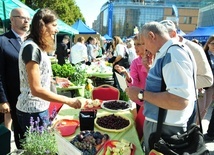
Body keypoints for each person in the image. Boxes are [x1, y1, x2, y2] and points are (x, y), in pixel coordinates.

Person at [125, 21, 196, 154]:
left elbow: (180, 100)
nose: (144, 48)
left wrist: (141, 94)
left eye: (144, 43)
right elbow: (167, 84)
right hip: (163, 125)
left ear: (152, 36)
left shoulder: (173, 54)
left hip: (164, 128)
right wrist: (149, 68)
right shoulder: (170, 51)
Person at [16, 8, 81, 140]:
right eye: (54, 25)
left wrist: (55, 80)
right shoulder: (31, 48)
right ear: (42, 26)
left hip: (38, 109)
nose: (57, 30)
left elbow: (38, 76)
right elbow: (36, 89)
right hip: (32, 112)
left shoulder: (37, 47)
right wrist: (68, 100)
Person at [159, 20, 213, 125]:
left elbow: (207, 79)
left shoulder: (194, 49)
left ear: (173, 34)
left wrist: (177, 83)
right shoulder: (162, 48)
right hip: (164, 104)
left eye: (163, 39)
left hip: (185, 108)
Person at [0, 8, 30, 149]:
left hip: (33, 99)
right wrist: (3, 100)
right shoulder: (3, 41)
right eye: (22, 18)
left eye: (28, 19)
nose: (26, 21)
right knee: (22, 138)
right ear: (12, 19)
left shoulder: (31, 42)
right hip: (14, 98)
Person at [114, 35, 154, 141]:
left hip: (156, 101)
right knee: (141, 129)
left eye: (139, 44)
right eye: (135, 44)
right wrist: (127, 75)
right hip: (141, 100)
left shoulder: (157, 59)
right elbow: (135, 83)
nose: (136, 47)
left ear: (147, 44)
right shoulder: (135, 62)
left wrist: (149, 67)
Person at [199, 35, 214, 123]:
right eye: (213, 43)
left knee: (205, 109)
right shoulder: (203, 55)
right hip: (202, 86)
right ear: (208, 44)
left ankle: (197, 128)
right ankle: (192, 127)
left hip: (211, 87)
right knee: (200, 108)